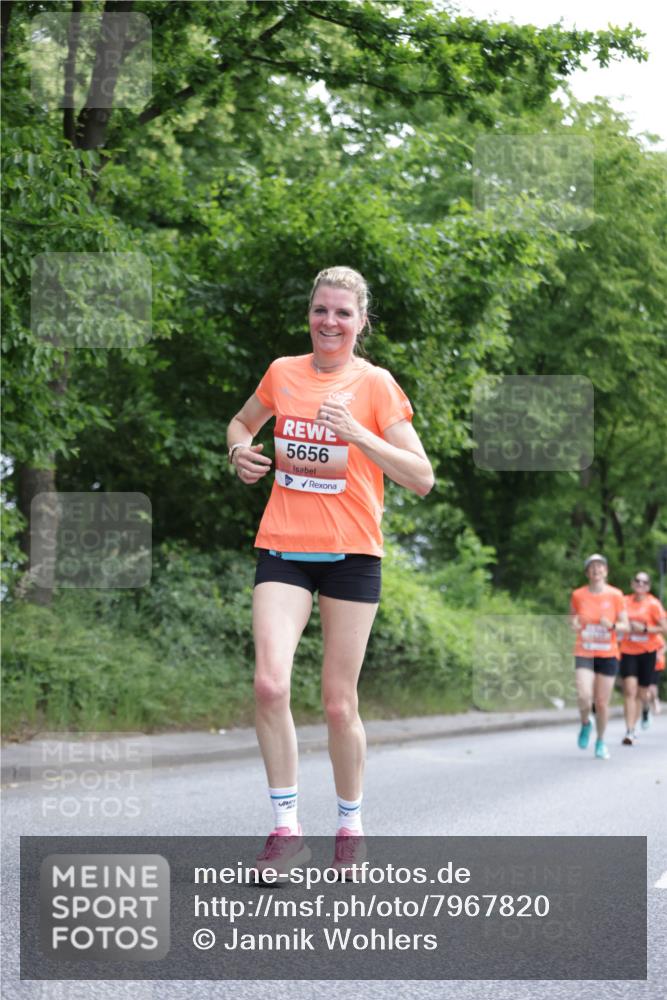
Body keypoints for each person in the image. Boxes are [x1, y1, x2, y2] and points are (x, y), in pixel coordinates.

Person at [226, 266, 434, 873]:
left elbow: (421, 478)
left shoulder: (376, 385)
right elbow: (241, 422)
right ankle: (287, 829)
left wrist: (358, 435)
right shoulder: (282, 373)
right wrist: (239, 450)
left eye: (344, 312)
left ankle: (350, 824)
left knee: (339, 703)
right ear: (309, 314)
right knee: (270, 684)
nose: (331, 321)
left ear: (361, 321)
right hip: (284, 548)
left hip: (352, 557)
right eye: (322, 309)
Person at [570, 554, 628, 760]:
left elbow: (625, 625)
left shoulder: (616, 595)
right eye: (592, 567)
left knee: (602, 702)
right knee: (584, 696)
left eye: (600, 566)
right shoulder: (578, 595)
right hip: (585, 651)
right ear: (587, 573)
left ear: (606, 571)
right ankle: (586, 723)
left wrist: (611, 625)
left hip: (608, 653)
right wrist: (574, 624)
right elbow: (572, 619)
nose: (596, 570)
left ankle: (601, 741)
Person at [617, 572, 667, 744]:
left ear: (648, 586)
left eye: (644, 582)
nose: (640, 584)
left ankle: (635, 725)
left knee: (641, 693)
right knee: (629, 690)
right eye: (637, 580)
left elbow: (664, 628)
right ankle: (629, 731)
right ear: (632, 584)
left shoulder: (653, 604)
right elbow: (614, 619)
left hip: (648, 652)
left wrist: (644, 629)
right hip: (628, 650)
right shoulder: (623, 601)